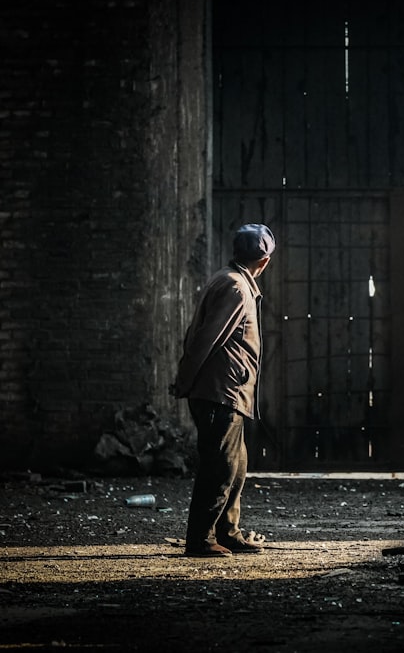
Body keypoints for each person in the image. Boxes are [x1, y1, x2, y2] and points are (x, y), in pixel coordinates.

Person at [171, 223, 276, 557]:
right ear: (265, 261)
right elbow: (205, 339)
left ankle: (228, 532)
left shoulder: (229, 279)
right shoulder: (235, 288)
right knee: (220, 468)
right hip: (221, 393)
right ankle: (200, 539)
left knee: (236, 465)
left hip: (226, 393)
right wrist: (186, 381)